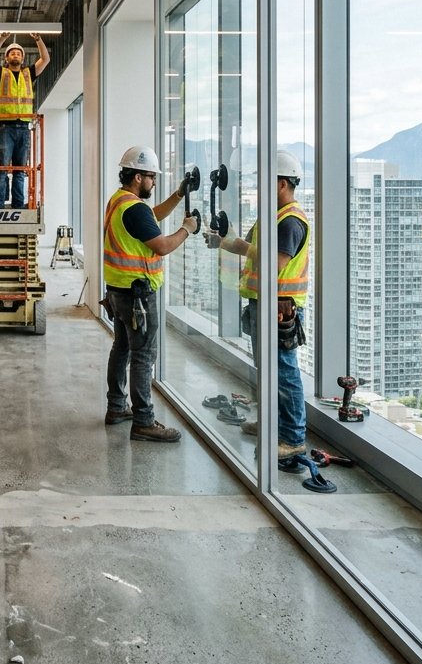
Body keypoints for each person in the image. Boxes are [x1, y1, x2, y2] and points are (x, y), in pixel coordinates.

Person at [205, 150, 310, 459]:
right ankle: (272, 424)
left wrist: (240, 246)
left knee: (285, 372)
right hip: (261, 304)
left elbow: (274, 262)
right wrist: (221, 241)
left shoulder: (290, 222)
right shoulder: (272, 218)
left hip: (279, 308)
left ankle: (292, 438)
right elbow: (248, 248)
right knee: (267, 369)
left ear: (281, 184)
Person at [103, 145, 199, 443]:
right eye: (151, 177)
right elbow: (162, 246)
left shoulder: (120, 201)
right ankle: (144, 421)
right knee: (143, 356)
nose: (153, 182)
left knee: (122, 348)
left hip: (118, 291)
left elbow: (151, 215)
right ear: (137, 177)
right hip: (137, 295)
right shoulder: (133, 208)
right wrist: (187, 228)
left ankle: (117, 407)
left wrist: (180, 194)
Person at [0, 31, 49, 208]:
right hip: (4, 127)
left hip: (23, 127)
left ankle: (18, 206)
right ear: (6, 58)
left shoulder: (28, 74)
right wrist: (2, 39)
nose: (16, 54)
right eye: (12, 52)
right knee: (2, 170)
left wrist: (38, 39)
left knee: (20, 171)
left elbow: (45, 59)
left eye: (19, 53)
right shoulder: (1, 74)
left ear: (22, 59)